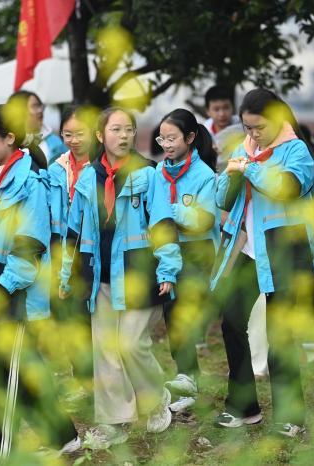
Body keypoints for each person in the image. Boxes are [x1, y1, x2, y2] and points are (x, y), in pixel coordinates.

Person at [59, 107, 182, 449]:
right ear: (101, 135)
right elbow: (74, 232)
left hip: (139, 274)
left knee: (131, 344)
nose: (124, 136)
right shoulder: (88, 178)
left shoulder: (148, 174)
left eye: (129, 129)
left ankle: (156, 399)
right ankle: (116, 422)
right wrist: (67, 274)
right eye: (116, 129)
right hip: (99, 277)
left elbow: (163, 223)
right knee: (106, 352)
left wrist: (168, 269)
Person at [0, 105, 79, 461]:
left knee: (4, 374)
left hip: (14, 293)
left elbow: (30, 245)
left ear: (10, 138)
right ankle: (64, 437)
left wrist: (4, 287)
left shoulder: (29, 182)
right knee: (22, 370)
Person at [210, 89, 314, 437]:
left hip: (283, 249)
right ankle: (243, 407)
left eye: (260, 127)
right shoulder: (244, 149)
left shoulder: (296, 150)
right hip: (247, 249)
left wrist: (251, 169)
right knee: (232, 322)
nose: (254, 134)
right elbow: (223, 198)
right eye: (248, 128)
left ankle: (290, 416)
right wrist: (232, 174)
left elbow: (288, 189)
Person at [152, 108, 219, 412]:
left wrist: (169, 210)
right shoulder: (158, 172)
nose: (166, 145)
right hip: (168, 249)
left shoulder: (204, 175)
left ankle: (190, 380)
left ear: (190, 138)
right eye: (162, 139)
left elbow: (204, 220)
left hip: (197, 252)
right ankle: (187, 380)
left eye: (172, 138)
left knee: (185, 315)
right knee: (172, 316)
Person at [47, 106, 95, 394]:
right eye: (68, 134)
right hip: (61, 248)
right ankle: (82, 378)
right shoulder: (56, 168)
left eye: (80, 133)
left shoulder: (100, 167)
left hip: (89, 247)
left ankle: (96, 379)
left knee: (89, 315)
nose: (74, 140)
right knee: (68, 317)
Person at [7, 91, 67, 164]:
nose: (40, 110)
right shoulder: (8, 142)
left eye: (40, 106)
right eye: (35, 106)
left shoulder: (56, 142)